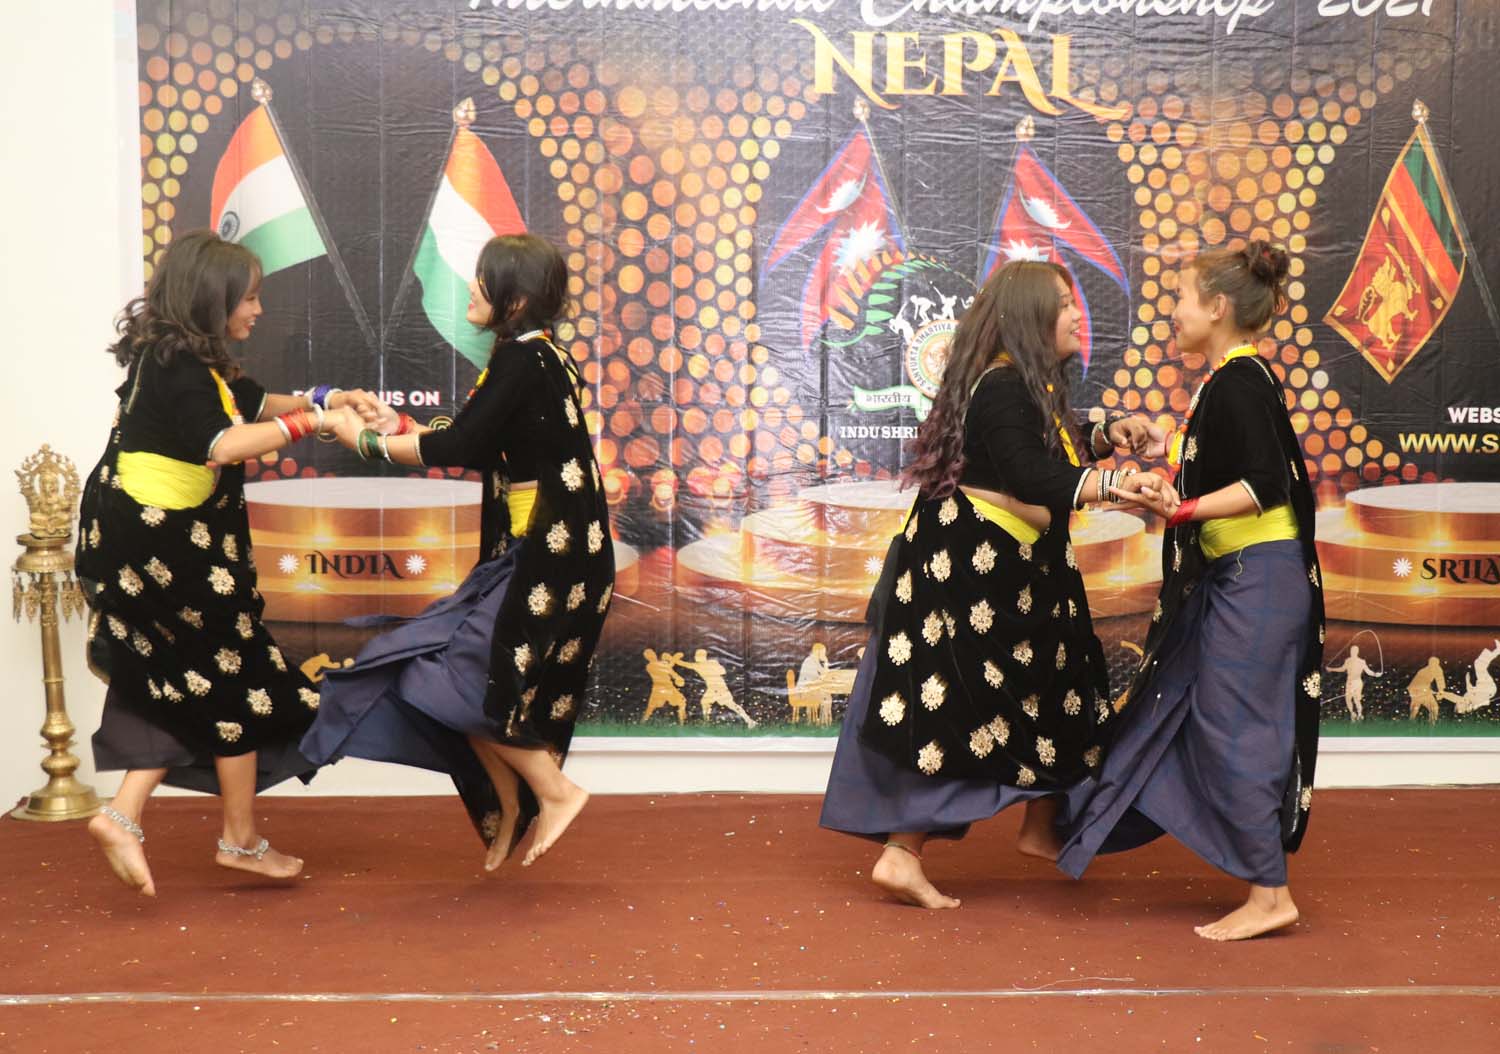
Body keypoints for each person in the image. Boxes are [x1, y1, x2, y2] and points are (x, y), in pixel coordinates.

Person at [820, 260, 1164, 909]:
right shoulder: (1003, 385)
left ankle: (1041, 827)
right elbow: (1030, 476)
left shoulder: (1026, 386)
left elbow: (1036, 453)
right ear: (1032, 315)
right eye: (1062, 304)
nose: (1074, 314)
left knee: (1063, 688)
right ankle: (902, 854)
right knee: (963, 707)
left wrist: (1100, 438)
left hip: (1019, 574)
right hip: (974, 579)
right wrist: (1116, 486)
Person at [76, 229, 383, 896]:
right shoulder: (179, 369)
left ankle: (131, 817)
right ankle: (232, 840)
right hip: (159, 546)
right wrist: (317, 425)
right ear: (213, 302)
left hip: (154, 540)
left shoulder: (185, 362)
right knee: (227, 673)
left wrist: (327, 398)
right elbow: (224, 443)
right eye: (249, 298)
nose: (258, 311)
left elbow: (250, 405)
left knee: (193, 676)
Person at [302, 233, 614, 871]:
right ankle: (511, 809)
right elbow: (478, 438)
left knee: (457, 679)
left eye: (482, 279)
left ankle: (555, 792)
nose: (472, 289)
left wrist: (364, 441)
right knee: (436, 673)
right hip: (540, 554)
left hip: (546, 558)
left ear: (516, 297)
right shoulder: (539, 356)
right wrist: (400, 427)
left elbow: (457, 448)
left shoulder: (523, 360)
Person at [1057, 240, 1326, 942]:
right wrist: (1163, 465)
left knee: (1236, 727)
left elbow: (1261, 486)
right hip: (1243, 580)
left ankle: (1270, 895)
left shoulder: (1240, 381)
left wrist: (1178, 510)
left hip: (1257, 580)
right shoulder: (1228, 382)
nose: (1171, 314)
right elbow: (1227, 468)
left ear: (1218, 307)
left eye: (1180, 300)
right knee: (1197, 714)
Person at [1327, 644, 1380, 721]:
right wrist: (1331, 669)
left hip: (1357, 682)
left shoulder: (1361, 661)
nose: (1353, 652)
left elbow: (1368, 671)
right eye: (1352, 650)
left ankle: (1359, 714)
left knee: (1356, 699)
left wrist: (1375, 674)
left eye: (1355, 650)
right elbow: (1342, 669)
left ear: (1357, 652)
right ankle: (1352, 713)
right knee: (1348, 699)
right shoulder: (1348, 660)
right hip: (1349, 682)